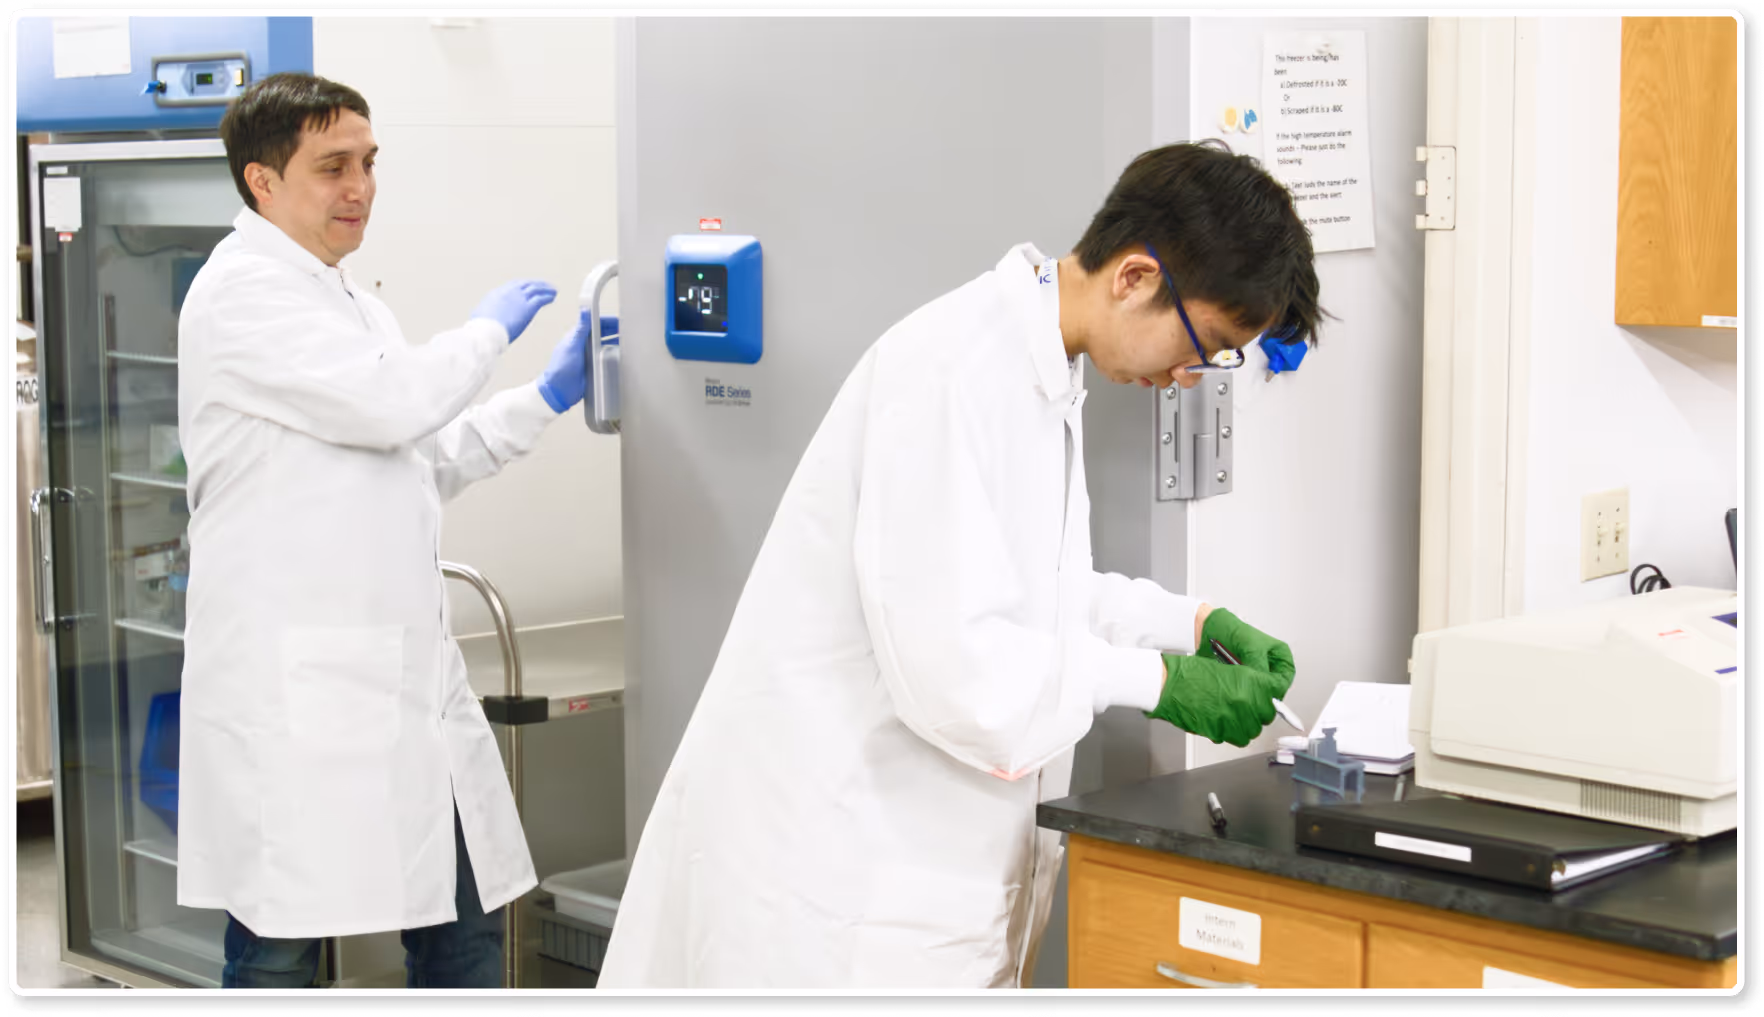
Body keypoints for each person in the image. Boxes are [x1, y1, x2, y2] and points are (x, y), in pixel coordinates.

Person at [598, 142, 1320, 989]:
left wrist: (1182, 623)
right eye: (1209, 343)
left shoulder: (1040, 373)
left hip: (911, 868)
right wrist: (1157, 682)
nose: (1193, 375)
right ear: (1133, 277)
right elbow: (957, 668)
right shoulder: (955, 371)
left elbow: (1015, 586)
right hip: (840, 878)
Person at [175, 72, 595, 988]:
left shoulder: (355, 304)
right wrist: (487, 333)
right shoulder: (240, 295)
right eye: (332, 167)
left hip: (404, 693)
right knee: (281, 948)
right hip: (299, 698)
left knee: (468, 931)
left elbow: (426, 451)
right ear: (262, 182)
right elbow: (393, 400)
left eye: (367, 162)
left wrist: (549, 397)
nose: (360, 186)